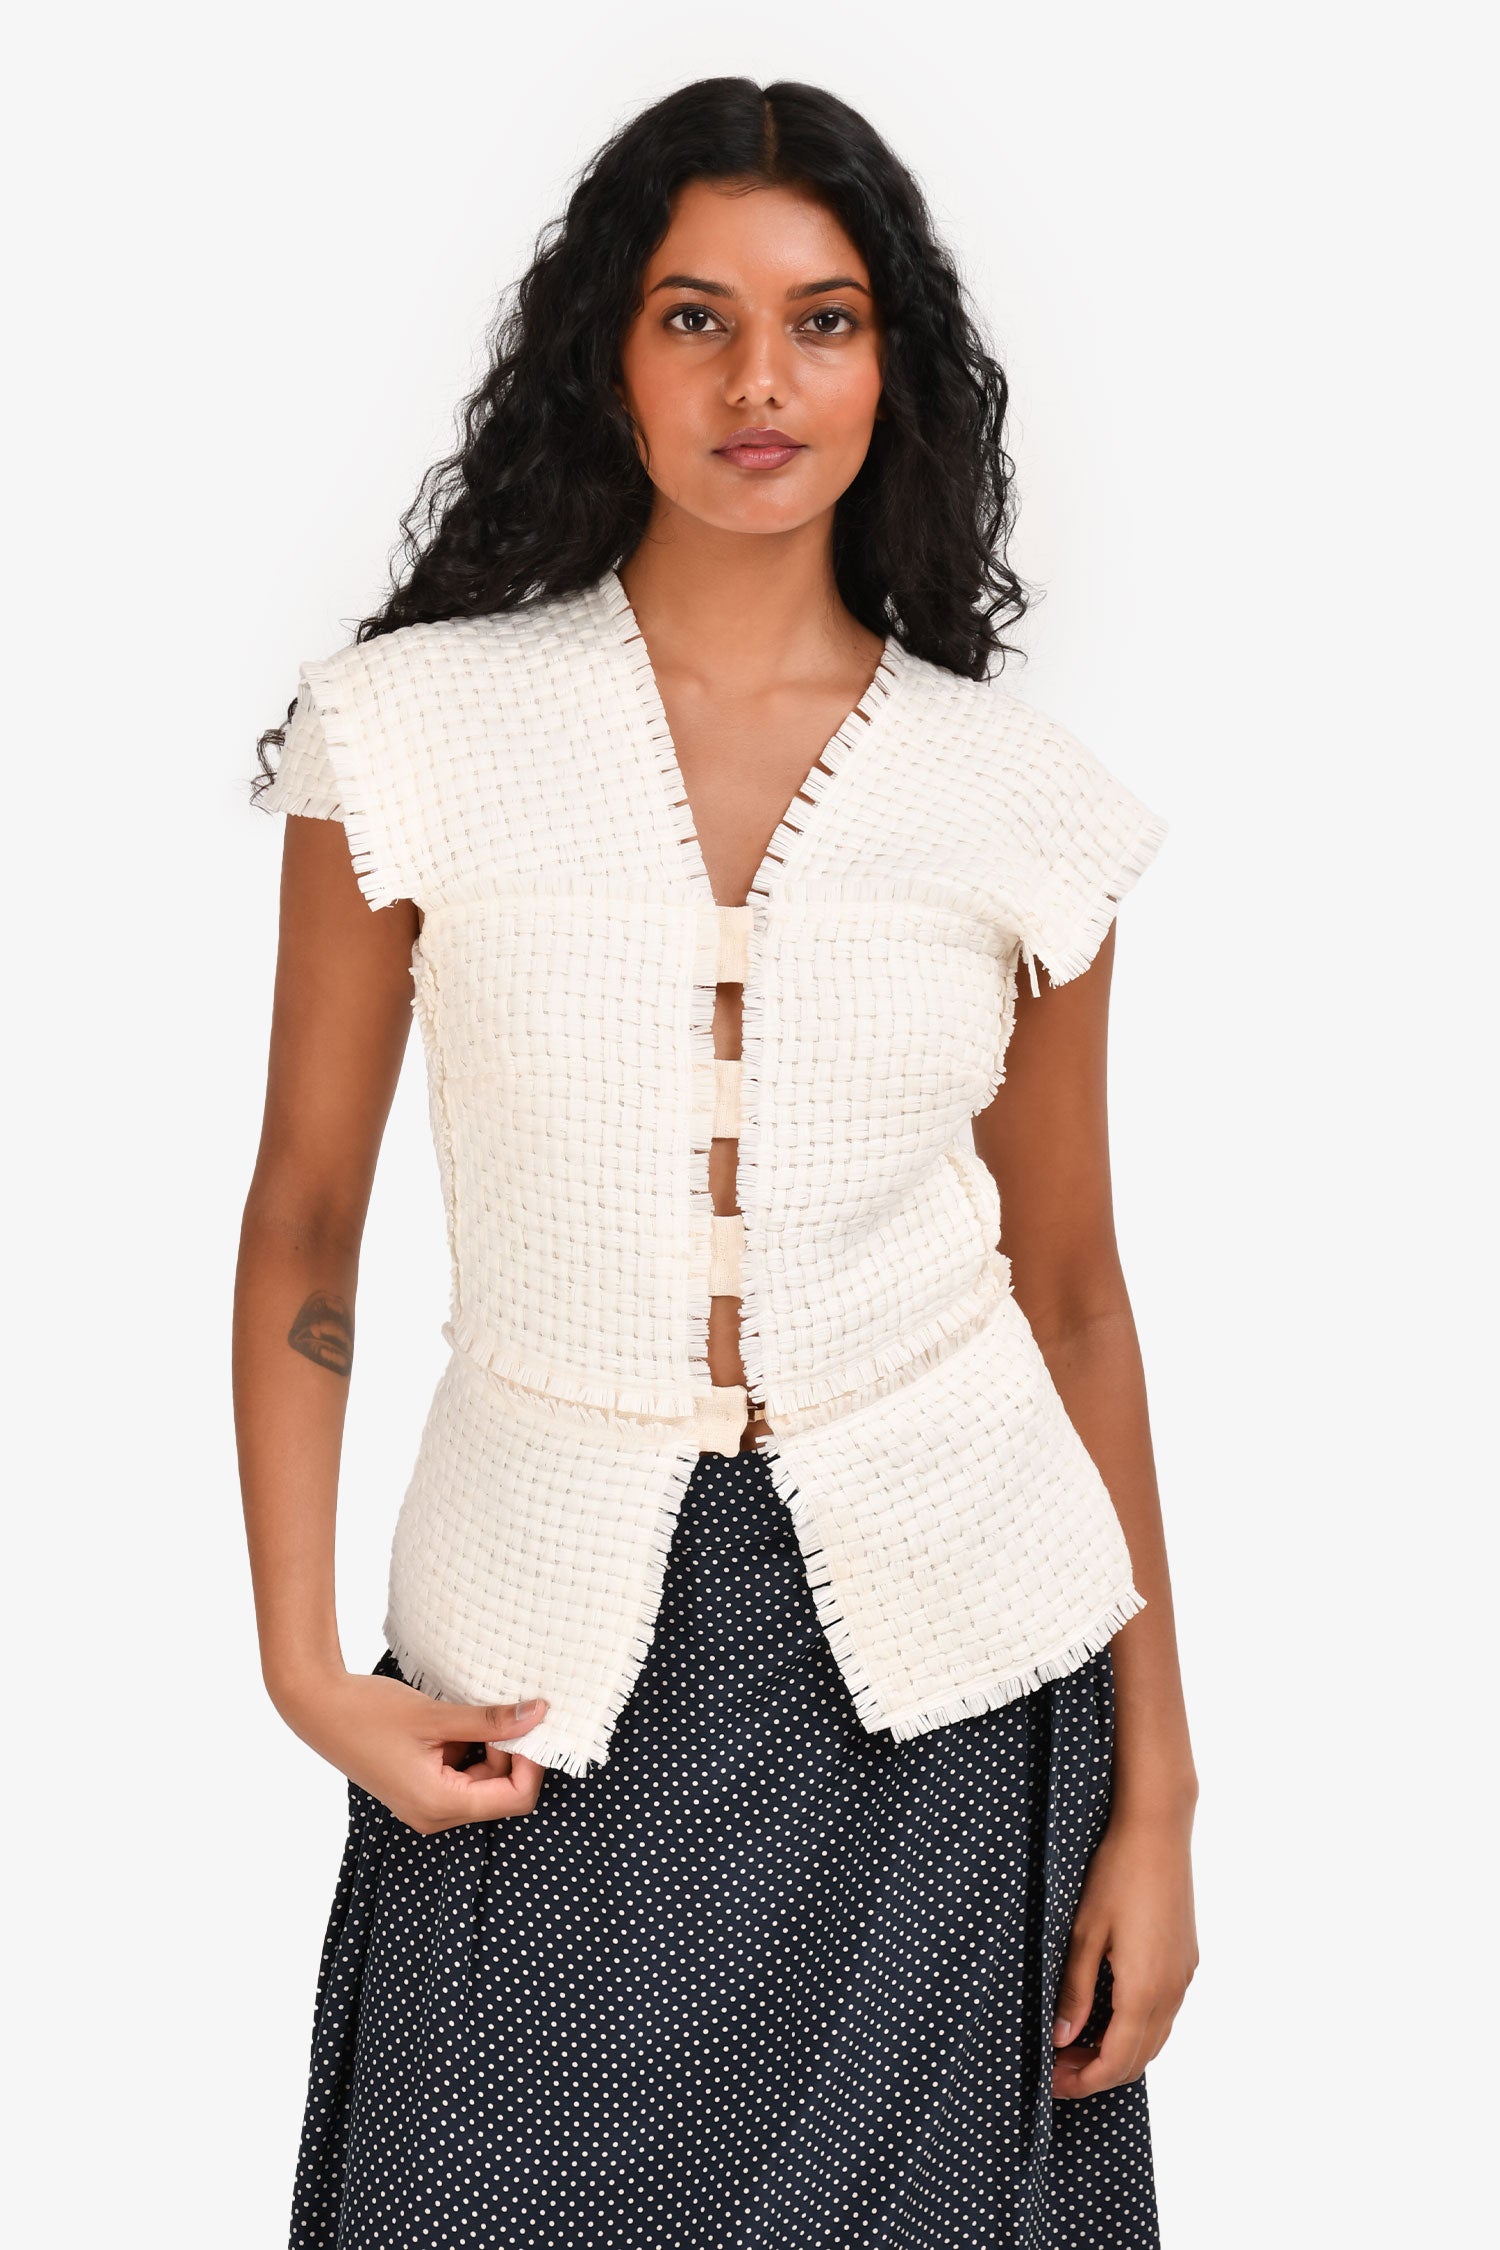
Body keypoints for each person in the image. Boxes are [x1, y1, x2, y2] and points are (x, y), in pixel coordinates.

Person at [235, 74, 1199, 2250]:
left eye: (821, 321)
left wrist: (1161, 1801)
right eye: (696, 317)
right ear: (609, 355)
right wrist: (305, 1666)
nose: (761, 381)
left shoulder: (1019, 803)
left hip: (954, 1689)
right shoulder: (411, 736)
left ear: (891, 367)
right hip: (532, 1673)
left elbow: (1072, 1295)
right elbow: (304, 1210)